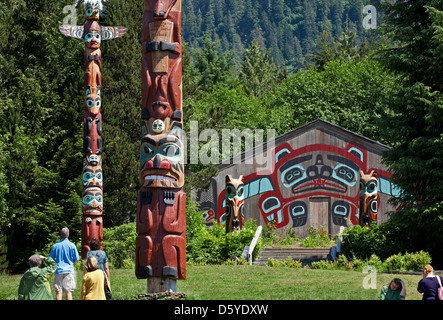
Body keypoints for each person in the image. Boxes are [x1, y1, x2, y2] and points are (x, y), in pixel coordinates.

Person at [49, 227, 80, 300]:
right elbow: (77, 260)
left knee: (59, 292)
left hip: (58, 270)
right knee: (68, 292)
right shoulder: (72, 245)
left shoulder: (55, 246)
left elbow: (50, 259)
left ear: (61, 235)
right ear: (68, 235)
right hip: (69, 270)